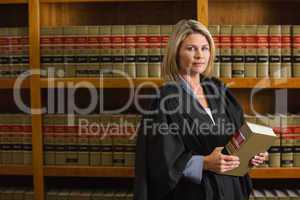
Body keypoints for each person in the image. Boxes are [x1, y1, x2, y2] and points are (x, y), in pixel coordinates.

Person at [134, 19, 267, 200]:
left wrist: (251, 152)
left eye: (204, 48)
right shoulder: (167, 99)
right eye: (191, 48)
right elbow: (159, 161)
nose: (199, 55)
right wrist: (204, 163)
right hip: (193, 193)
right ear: (176, 53)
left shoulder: (219, 90)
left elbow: (239, 136)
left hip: (230, 189)